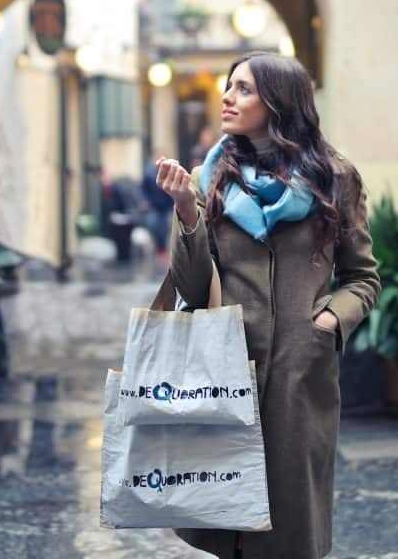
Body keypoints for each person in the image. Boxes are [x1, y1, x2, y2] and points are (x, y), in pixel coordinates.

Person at [155, 52, 381, 559]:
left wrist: (325, 323)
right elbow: (192, 288)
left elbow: (362, 278)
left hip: (300, 376)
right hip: (226, 366)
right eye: (228, 86)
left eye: (243, 88)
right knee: (227, 521)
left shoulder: (335, 179)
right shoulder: (208, 178)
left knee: (290, 527)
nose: (227, 97)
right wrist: (186, 209)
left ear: (278, 101)